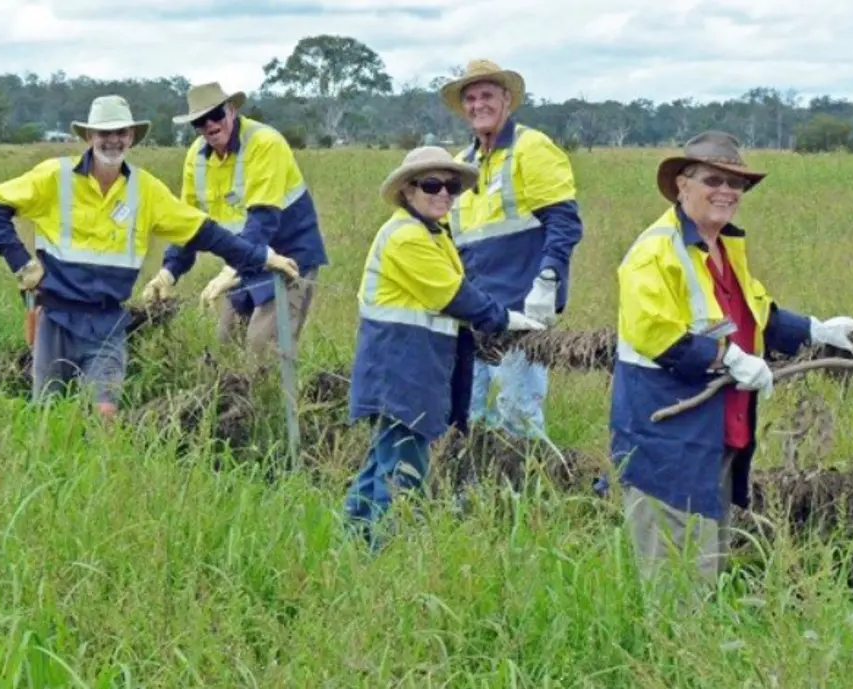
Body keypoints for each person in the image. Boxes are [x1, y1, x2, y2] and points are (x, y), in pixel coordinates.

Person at [608, 130, 853, 585]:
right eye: (714, 179)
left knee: (709, 561)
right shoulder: (654, 252)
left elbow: (754, 314)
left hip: (720, 430)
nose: (726, 192)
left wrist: (818, 330)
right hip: (669, 434)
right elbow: (657, 334)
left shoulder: (724, 247)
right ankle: (672, 656)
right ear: (682, 184)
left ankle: (698, 651)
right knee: (678, 576)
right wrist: (729, 359)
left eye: (737, 184)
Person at [0, 95, 301, 417]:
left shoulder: (145, 190)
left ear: (131, 137)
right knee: (47, 414)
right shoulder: (54, 177)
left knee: (104, 413)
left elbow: (204, 232)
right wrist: (22, 263)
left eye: (120, 133)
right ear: (90, 137)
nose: (112, 141)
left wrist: (259, 257)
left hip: (107, 324)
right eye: (104, 133)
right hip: (55, 320)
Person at [344, 146, 547, 547]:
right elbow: (452, 295)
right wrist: (505, 319)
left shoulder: (431, 234)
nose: (443, 194)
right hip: (400, 370)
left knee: (381, 462)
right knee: (402, 471)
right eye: (431, 185)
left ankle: (352, 546)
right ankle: (384, 555)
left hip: (408, 368)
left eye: (451, 186)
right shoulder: (407, 238)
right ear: (407, 190)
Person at [439, 59, 584, 439]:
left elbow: (563, 221)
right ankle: (473, 493)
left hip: (522, 310)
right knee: (467, 416)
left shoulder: (532, 148)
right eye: (470, 98)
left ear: (507, 100)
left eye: (486, 95)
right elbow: (449, 240)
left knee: (518, 416)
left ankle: (524, 492)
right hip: (474, 313)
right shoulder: (459, 165)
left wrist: (549, 278)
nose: (477, 105)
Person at [142, 82, 327, 359]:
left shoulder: (265, 144)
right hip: (243, 258)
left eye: (216, 115)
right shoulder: (196, 156)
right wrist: (169, 271)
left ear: (231, 110)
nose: (210, 125)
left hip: (288, 258)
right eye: (200, 121)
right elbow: (189, 223)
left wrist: (230, 272)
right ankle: (234, 403)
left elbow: (263, 219)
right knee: (225, 345)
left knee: (261, 346)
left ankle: (277, 402)